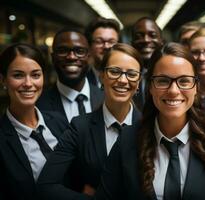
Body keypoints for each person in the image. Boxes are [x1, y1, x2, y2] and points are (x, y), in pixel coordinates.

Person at [93, 43, 205, 200]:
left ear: (196, 87)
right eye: (163, 81)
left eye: (184, 81)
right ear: (150, 87)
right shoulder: (128, 138)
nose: (174, 91)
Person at [37, 43, 143, 199]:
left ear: (139, 81)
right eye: (114, 71)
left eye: (132, 74)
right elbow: (46, 185)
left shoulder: (150, 126)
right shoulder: (80, 127)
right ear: (101, 76)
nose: (122, 80)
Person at [0, 43, 69, 200]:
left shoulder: (59, 121)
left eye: (36, 75)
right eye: (18, 75)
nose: (28, 83)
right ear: (3, 80)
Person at [37, 28, 104, 122]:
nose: (72, 57)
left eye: (79, 51)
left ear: (88, 57)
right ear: (52, 58)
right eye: (63, 51)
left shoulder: (106, 98)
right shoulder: (39, 104)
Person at [131, 16, 164, 110]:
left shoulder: (173, 75)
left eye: (152, 35)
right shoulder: (124, 78)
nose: (146, 40)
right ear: (132, 43)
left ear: (162, 41)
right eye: (139, 36)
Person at [84, 17, 120, 88]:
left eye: (111, 42)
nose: (106, 46)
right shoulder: (81, 81)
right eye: (99, 41)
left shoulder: (128, 79)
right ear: (90, 46)